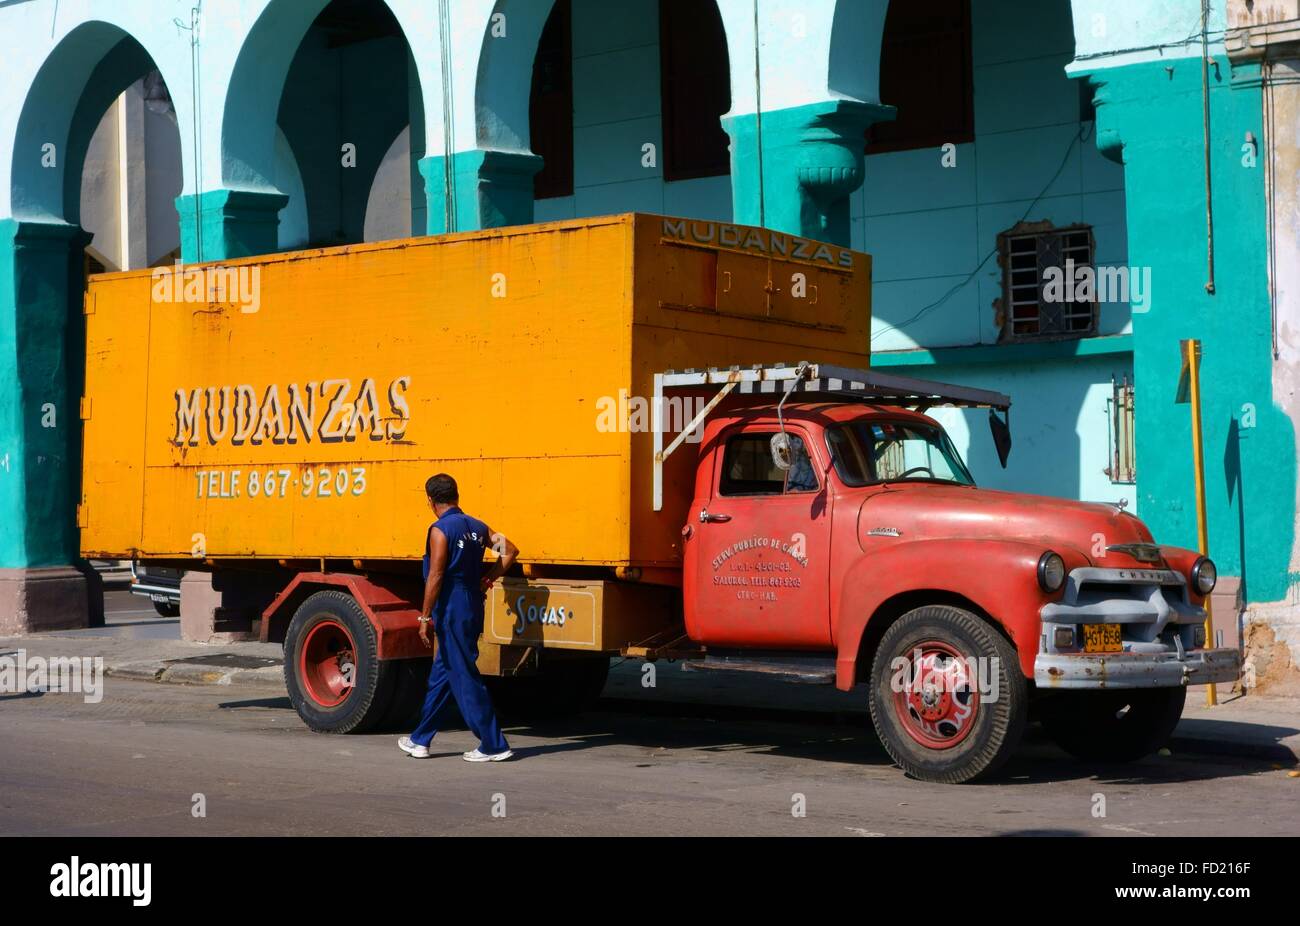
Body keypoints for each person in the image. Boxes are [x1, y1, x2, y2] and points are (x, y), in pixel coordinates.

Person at [398, 473, 519, 762]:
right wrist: (487, 579)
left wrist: (425, 617)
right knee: (444, 671)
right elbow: (511, 551)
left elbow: (437, 574)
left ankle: (493, 743)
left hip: (451, 605)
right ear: (457, 496)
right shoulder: (478, 526)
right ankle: (420, 740)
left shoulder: (439, 530)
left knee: (463, 673)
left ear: (430, 501)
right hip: (471, 601)